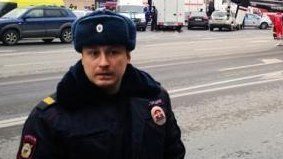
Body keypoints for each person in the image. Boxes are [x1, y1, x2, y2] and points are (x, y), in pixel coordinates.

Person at [16, 10, 186, 159]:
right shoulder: (49, 117)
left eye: (113, 52)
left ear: (127, 56)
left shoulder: (154, 98)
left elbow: (173, 152)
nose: (103, 62)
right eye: (94, 53)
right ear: (82, 57)